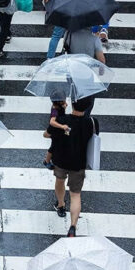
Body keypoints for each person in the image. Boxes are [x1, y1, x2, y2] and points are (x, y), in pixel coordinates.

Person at [44, 97, 99, 237]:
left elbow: (47, 134)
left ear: (72, 104)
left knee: (59, 181)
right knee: (75, 195)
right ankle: (73, 226)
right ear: (88, 107)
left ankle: (61, 205)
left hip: (60, 159)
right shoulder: (92, 122)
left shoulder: (61, 120)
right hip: (79, 163)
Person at [43, 97, 69, 169]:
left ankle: (50, 159)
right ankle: (47, 161)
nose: (66, 103)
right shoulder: (54, 109)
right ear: (59, 102)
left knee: (56, 143)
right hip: (55, 128)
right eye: (64, 101)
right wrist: (62, 126)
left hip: (58, 128)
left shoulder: (59, 105)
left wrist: (64, 106)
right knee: (53, 145)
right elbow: (52, 122)